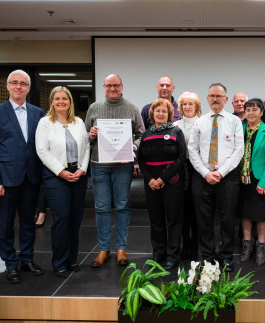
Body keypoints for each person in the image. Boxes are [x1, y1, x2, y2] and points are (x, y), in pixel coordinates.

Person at [0, 69, 45, 283]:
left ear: (28, 88)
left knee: (28, 222)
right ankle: (10, 263)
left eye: (23, 83)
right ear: (8, 86)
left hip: (31, 177)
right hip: (5, 179)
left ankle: (26, 259)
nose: (19, 86)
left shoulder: (39, 112)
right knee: (6, 224)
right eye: (14, 83)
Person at [85, 74, 144, 268]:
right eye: (109, 85)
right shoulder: (94, 108)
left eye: (116, 85)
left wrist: (132, 147)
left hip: (122, 166)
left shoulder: (132, 108)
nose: (112, 88)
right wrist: (91, 134)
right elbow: (85, 135)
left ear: (121, 86)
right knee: (101, 208)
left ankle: (120, 248)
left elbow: (141, 135)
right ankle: (103, 249)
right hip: (99, 165)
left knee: (122, 206)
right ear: (103, 87)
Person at [188, 83, 244, 272]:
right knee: (204, 220)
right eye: (212, 95)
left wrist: (221, 172)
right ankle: (208, 258)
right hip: (202, 178)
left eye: (219, 96)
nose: (215, 99)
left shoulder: (234, 121)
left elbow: (239, 150)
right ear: (207, 98)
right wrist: (206, 173)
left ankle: (226, 257)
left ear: (226, 99)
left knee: (227, 220)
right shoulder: (200, 122)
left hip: (227, 178)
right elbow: (192, 150)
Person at [36, 86, 90, 278]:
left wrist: (82, 169)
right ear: (51, 102)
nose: (61, 102)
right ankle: (59, 262)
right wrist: (61, 172)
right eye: (57, 99)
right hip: (56, 176)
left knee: (75, 220)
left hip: (78, 175)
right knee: (61, 219)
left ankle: (72, 260)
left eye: (64, 99)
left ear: (70, 102)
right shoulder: (45, 123)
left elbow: (87, 146)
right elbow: (42, 151)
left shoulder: (79, 122)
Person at [138, 98, 186, 270]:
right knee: (156, 220)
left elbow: (181, 158)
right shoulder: (146, 134)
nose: (160, 113)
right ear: (152, 114)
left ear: (169, 114)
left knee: (174, 220)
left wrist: (163, 178)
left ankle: (173, 256)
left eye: (164, 111)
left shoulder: (176, 131)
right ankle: (159, 254)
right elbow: (141, 160)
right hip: (151, 184)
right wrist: (150, 179)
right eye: (157, 111)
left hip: (172, 183)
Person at [238, 99, 265, 266]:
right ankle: (247, 245)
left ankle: (261, 247)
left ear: (261, 112)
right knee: (245, 213)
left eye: (254, 110)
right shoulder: (240, 128)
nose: (251, 113)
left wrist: (264, 183)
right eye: (248, 110)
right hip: (242, 178)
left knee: (261, 214)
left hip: (260, 179)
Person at [173, 91, 202, 261]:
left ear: (196, 106)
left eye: (191, 103)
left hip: (197, 169)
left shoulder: (203, 123)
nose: (187, 106)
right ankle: (185, 245)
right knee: (182, 210)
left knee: (197, 209)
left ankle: (196, 245)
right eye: (184, 104)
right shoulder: (175, 125)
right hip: (180, 169)